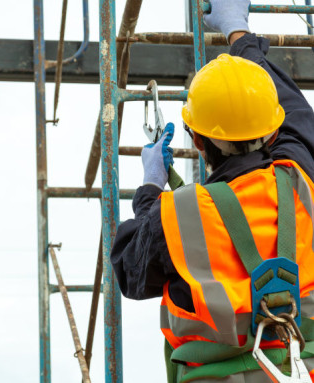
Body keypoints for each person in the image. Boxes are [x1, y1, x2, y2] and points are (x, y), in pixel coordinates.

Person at [110, 0, 314, 382]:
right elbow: (297, 115)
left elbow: (128, 267)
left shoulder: (176, 216)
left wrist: (151, 186)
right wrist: (238, 32)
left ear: (197, 142)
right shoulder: (301, 180)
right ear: (273, 131)